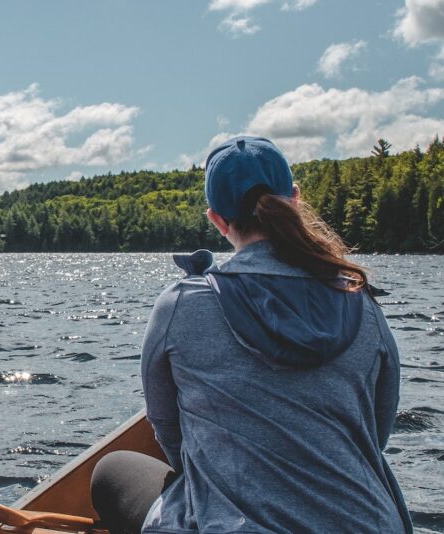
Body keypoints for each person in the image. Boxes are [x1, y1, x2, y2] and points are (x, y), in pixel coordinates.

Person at [90, 136, 412, 533]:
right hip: (369, 523)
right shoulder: (361, 300)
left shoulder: (181, 305)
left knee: (114, 469)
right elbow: (376, 433)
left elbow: (169, 432)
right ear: (294, 199)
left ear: (217, 219)